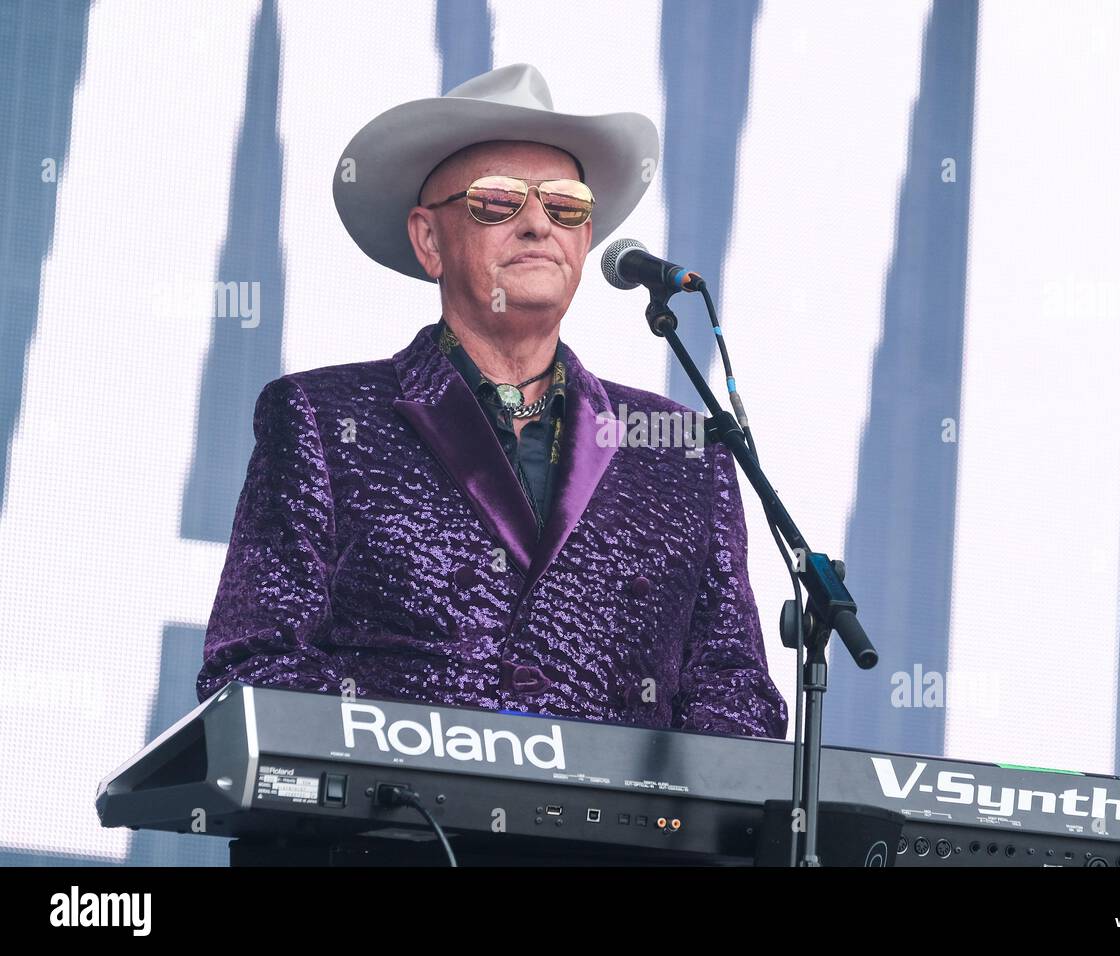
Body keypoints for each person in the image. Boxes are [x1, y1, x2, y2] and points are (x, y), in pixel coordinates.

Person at [195, 63, 788, 739]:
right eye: (498, 200)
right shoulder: (321, 419)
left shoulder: (682, 447)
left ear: (585, 239)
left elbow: (734, 689)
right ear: (429, 239)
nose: (538, 224)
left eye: (565, 204)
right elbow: (257, 665)